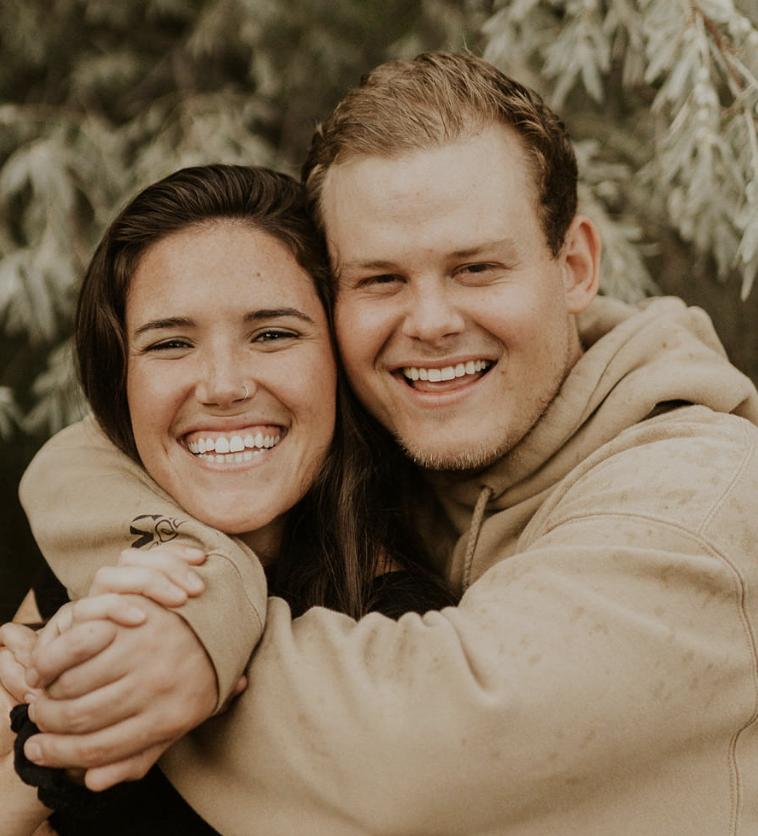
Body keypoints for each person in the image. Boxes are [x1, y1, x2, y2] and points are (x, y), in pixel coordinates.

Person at [6, 50, 758, 834]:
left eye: (475, 268)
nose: (430, 323)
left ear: (574, 266)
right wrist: (203, 591)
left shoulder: (699, 504)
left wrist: (139, 671)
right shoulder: (402, 436)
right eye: (381, 280)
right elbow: (95, 455)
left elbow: (418, 764)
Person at [0, 162, 453, 834]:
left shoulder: (402, 638)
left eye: (272, 334)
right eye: (171, 343)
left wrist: (59, 737)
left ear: (339, 359)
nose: (222, 386)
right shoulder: (105, 564)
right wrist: (43, 727)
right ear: (120, 384)